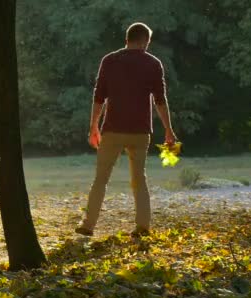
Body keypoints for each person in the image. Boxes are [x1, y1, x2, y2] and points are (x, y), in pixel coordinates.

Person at [75, 22, 176, 237]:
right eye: (147, 42)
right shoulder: (153, 63)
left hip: (112, 129)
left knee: (100, 179)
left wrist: (93, 125)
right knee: (139, 179)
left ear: (127, 39)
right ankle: (142, 226)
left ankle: (88, 224)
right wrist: (168, 129)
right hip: (140, 132)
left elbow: (99, 96)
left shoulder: (110, 60)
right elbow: (160, 100)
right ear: (144, 41)